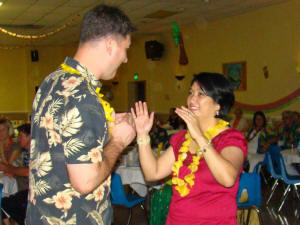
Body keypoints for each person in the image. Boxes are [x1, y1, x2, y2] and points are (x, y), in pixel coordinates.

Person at [26, 5, 136, 225]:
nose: (125, 59)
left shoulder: (53, 80)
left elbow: (62, 143)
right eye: (126, 48)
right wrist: (118, 141)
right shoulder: (83, 96)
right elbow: (85, 181)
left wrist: (106, 126)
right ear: (110, 44)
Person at [131, 72, 247, 225]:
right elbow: (153, 173)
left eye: (201, 94)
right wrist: (142, 135)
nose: (192, 98)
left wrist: (199, 136)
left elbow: (227, 179)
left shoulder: (231, 138)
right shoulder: (181, 139)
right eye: (191, 93)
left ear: (218, 105)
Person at [0, 124, 30, 225]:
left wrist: (10, 170)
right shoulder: (27, 153)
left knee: (4, 201)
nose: (19, 138)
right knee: (3, 200)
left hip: (28, 188)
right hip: (23, 184)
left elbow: (27, 172)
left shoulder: (32, 152)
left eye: (21, 136)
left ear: (30, 137)